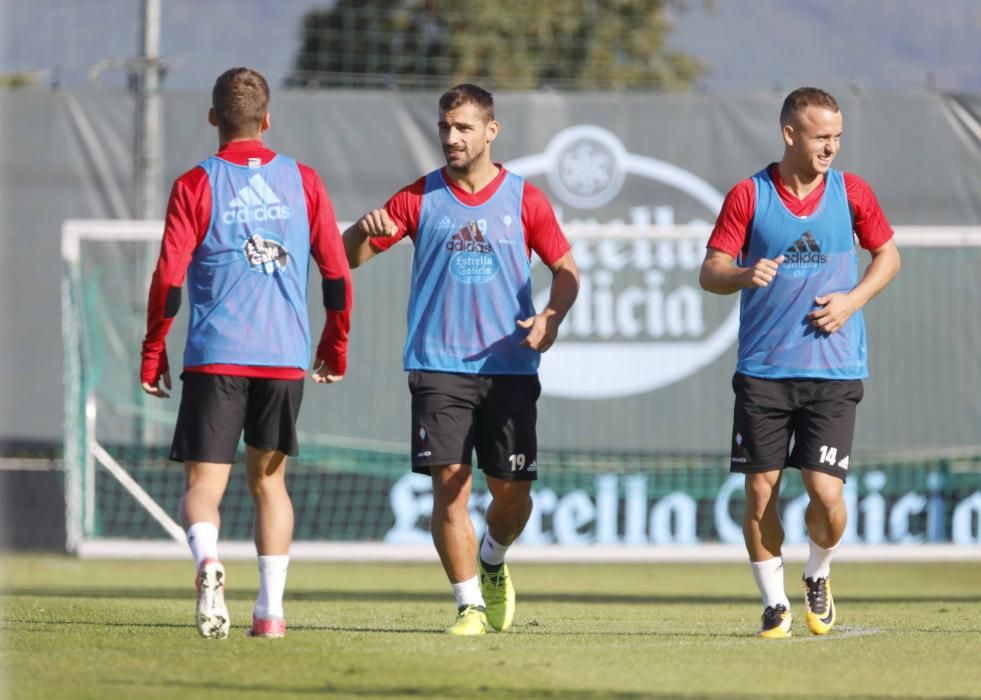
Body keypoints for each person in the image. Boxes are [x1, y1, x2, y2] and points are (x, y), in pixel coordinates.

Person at [343, 84, 579, 635]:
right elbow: (350, 257)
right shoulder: (419, 198)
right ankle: (468, 603)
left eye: (464, 128)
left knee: (512, 494)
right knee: (450, 486)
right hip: (437, 367)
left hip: (509, 369)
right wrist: (362, 230)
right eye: (445, 127)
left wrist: (551, 317)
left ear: (490, 132)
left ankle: (493, 560)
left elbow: (567, 270)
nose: (452, 137)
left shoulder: (525, 199)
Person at [140, 67, 352, 640]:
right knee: (270, 485)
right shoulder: (303, 181)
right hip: (283, 358)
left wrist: (153, 348)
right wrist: (336, 343)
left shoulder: (195, 184)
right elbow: (336, 272)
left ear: (213, 118)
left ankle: (208, 562)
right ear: (267, 120)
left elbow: (168, 280)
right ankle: (270, 613)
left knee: (203, 490)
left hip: (215, 358)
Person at [699, 87, 900, 638]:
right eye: (821, 137)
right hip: (764, 371)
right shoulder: (749, 195)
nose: (831, 147)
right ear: (790, 134)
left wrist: (852, 301)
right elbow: (711, 270)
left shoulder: (851, 192)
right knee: (761, 490)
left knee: (825, 492)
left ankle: (818, 573)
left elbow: (889, 255)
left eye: (837, 136)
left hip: (834, 371)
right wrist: (743, 273)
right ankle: (773, 603)